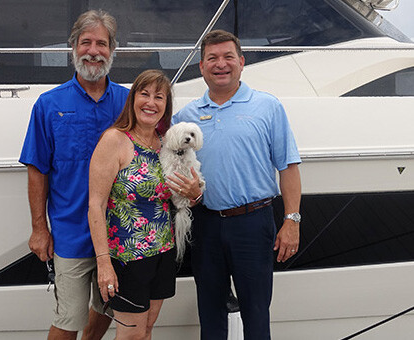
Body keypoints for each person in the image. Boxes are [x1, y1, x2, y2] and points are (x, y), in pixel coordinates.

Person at [171, 30, 302, 340]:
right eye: (212, 58)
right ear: (201, 67)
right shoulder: (186, 116)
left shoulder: (267, 106)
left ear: (242, 63)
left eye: (228, 57)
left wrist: (292, 220)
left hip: (253, 224)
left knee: (257, 316)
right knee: (211, 316)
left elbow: (289, 166)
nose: (221, 64)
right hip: (205, 226)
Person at [19, 10, 130, 340]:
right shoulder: (49, 105)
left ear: (112, 50)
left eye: (102, 43)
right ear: (72, 48)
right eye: (86, 42)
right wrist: (40, 229)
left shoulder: (129, 103)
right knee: (68, 318)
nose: (93, 51)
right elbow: (37, 170)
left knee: (107, 307)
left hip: (119, 234)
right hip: (71, 233)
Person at [88, 70, 199, 340]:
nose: (151, 102)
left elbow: (184, 197)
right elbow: (95, 204)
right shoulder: (114, 140)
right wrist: (104, 263)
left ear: (166, 106)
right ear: (132, 99)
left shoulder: (165, 145)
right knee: (131, 336)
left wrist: (195, 194)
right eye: (144, 94)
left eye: (159, 97)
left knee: (146, 330)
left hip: (163, 252)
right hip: (127, 257)